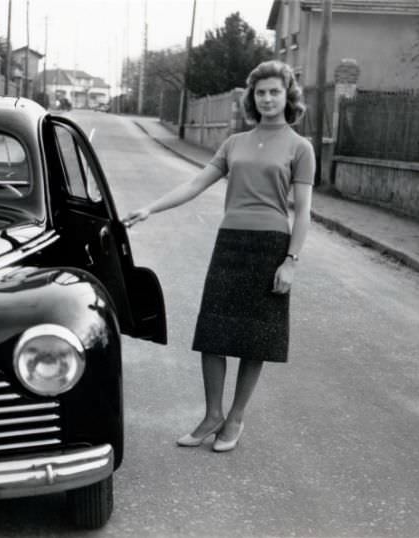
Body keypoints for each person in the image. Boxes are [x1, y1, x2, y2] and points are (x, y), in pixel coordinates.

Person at [123, 60, 314, 452]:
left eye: (274, 91)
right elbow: (195, 184)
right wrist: (150, 209)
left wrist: (290, 261)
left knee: (253, 339)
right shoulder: (234, 143)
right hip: (230, 244)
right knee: (213, 331)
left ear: (288, 95)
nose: (267, 98)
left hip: (270, 248)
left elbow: (304, 211)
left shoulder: (300, 147)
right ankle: (212, 414)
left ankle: (236, 418)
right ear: (252, 98)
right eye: (260, 92)